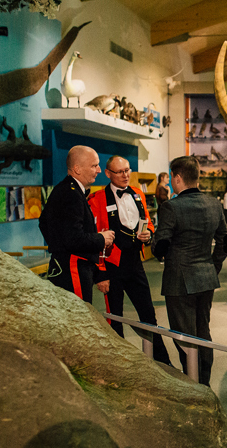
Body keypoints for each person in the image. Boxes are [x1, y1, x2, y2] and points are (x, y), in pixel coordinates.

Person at [151, 156, 227, 386]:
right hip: (206, 279)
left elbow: (162, 245)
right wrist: (212, 267)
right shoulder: (214, 204)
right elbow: (225, 242)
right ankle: (203, 383)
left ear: (176, 178)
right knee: (203, 334)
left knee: (184, 337)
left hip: (179, 282)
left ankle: (193, 385)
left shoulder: (171, 207)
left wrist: (154, 244)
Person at [88, 156, 171, 366]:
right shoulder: (97, 199)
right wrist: (100, 274)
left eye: (127, 170)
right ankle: (119, 365)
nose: (125, 175)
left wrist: (149, 234)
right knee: (115, 319)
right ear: (108, 174)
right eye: (120, 172)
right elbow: (93, 238)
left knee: (149, 316)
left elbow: (148, 222)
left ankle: (162, 362)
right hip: (112, 266)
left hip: (135, 263)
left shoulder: (137, 193)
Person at [39, 145, 114, 304]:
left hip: (67, 265)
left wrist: (58, 246)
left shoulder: (66, 189)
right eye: (94, 165)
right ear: (77, 169)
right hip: (73, 268)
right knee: (80, 317)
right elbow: (73, 238)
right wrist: (101, 238)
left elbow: (43, 223)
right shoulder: (71, 193)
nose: (99, 170)